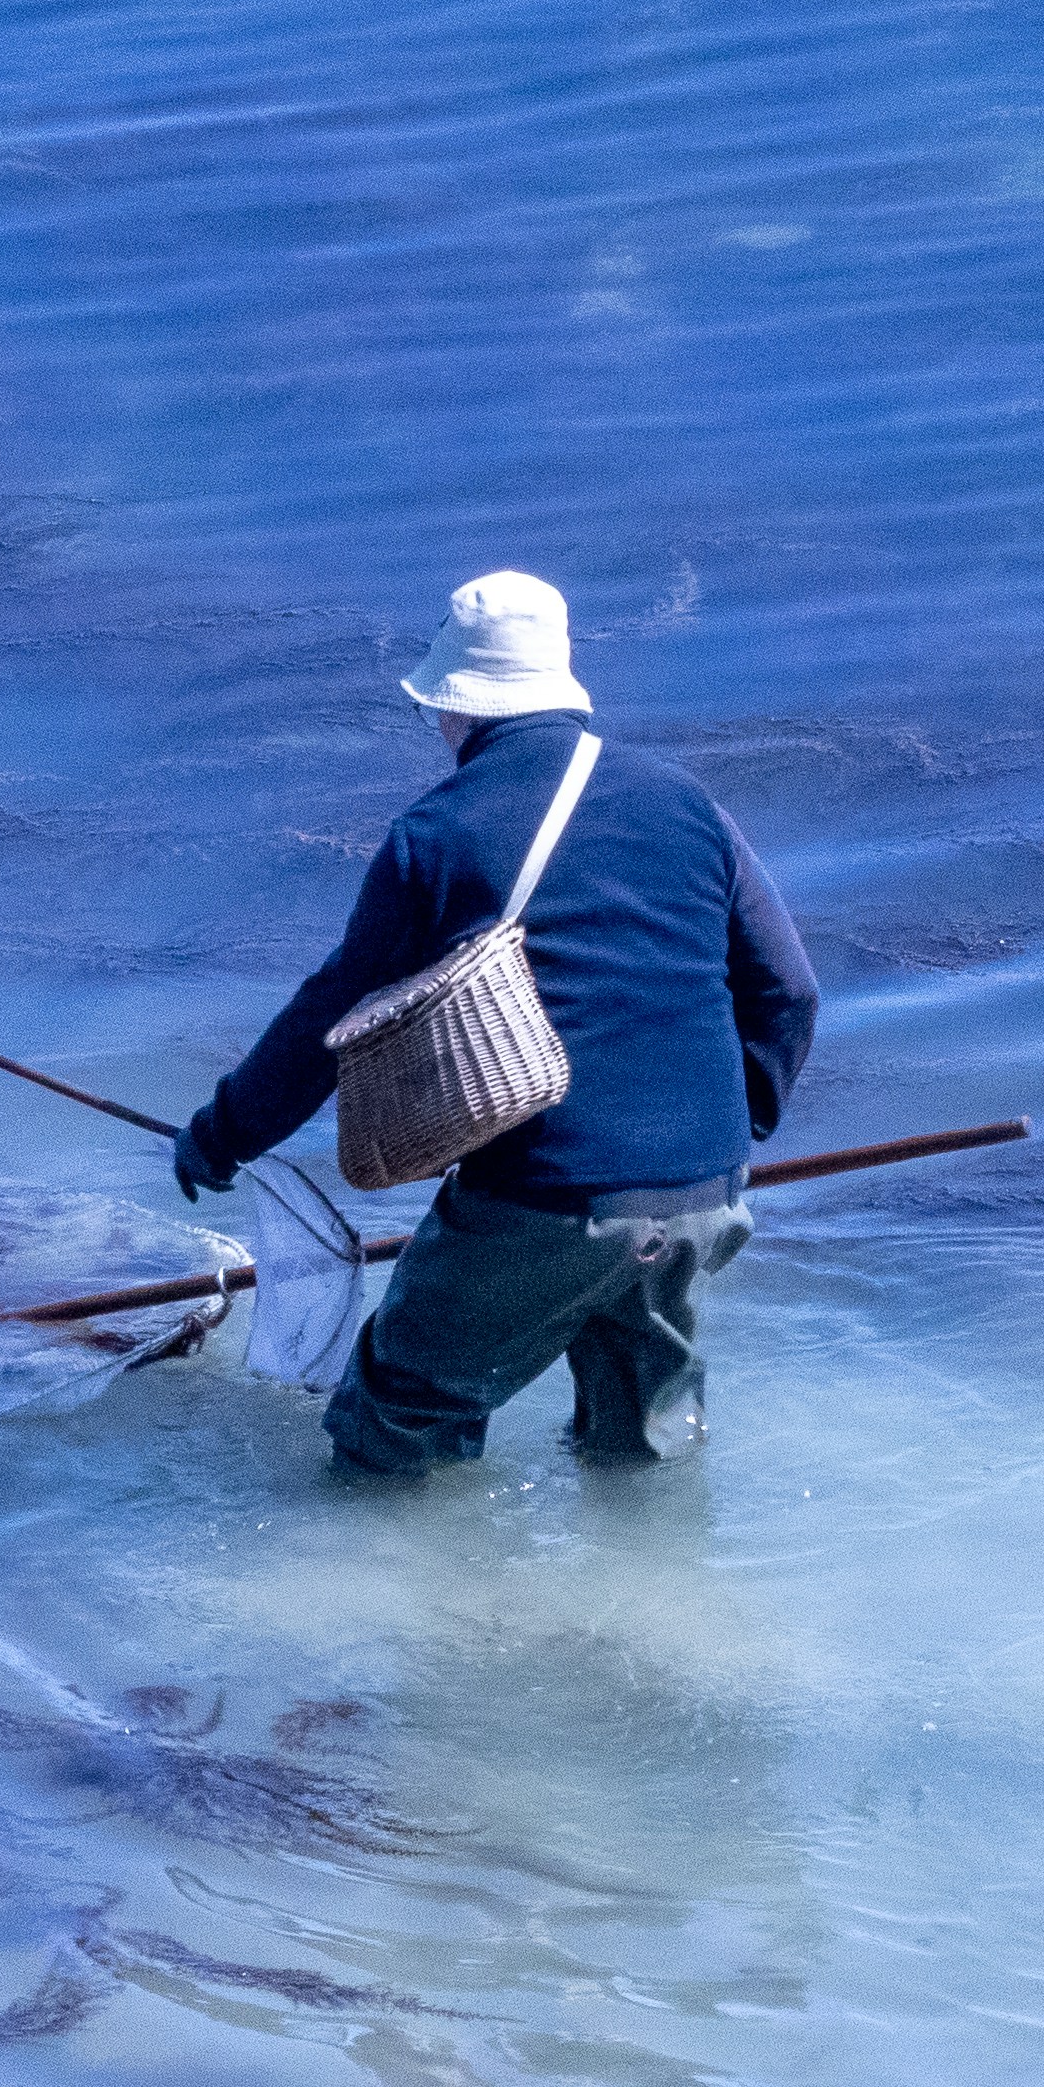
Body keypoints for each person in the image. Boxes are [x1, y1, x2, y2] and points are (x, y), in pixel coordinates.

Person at [171, 570, 821, 1474]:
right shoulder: (688, 804)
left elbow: (333, 1015)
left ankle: (418, 1612)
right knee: (647, 1448)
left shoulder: (435, 836)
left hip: (545, 1195)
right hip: (702, 1198)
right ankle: (661, 1608)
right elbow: (788, 991)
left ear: (457, 709)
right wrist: (727, 1132)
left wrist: (223, 1133)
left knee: (392, 1425)